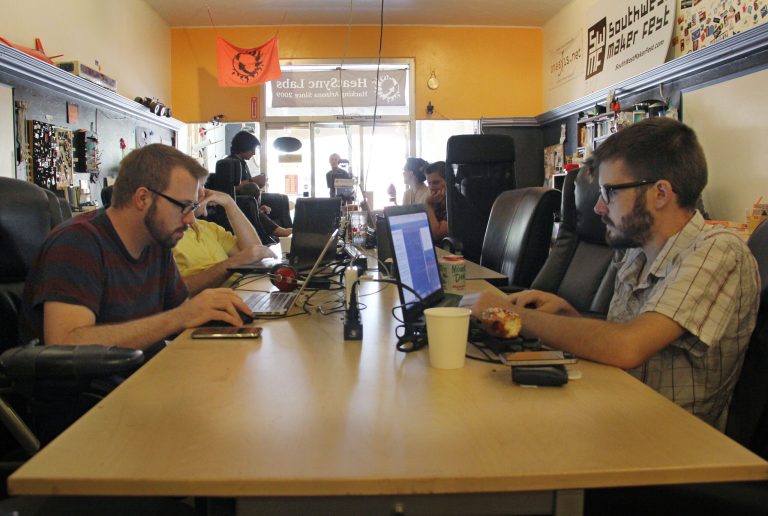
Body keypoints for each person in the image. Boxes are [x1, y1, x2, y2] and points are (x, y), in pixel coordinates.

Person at [469, 118, 759, 430]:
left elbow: (627, 347)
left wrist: (510, 315)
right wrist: (569, 316)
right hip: (615, 408)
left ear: (661, 194)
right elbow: (623, 340)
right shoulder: (637, 252)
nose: (598, 207)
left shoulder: (718, 251)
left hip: (668, 437)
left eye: (609, 192)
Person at [19, 144, 255, 359]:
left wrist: (235, 318)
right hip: (98, 391)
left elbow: (182, 316)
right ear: (143, 198)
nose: (191, 219)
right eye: (184, 207)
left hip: (147, 375)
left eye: (193, 207)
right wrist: (182, 316)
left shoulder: (157, 242)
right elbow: (65, 344)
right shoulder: (77, 243)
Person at [173, 186, 276, 296]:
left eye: (203, 185)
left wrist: (229, 203)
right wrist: (234, 263)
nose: (202, 192)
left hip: (244, 292)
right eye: (196, 186)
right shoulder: (167, 235)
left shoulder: (209, 227)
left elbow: (257, 255)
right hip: (214, 303)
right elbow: (173, 293)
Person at [224, 130, 262, 196]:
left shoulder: (242, 163)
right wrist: (252, 180)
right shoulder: (228, 163)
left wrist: (258, 184)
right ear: (244, 147)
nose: (254, 153)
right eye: (252, 149)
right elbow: (227, 188)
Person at [424, 161, 448, 242]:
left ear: (448, 181)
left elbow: (437, 234)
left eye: (436, 182)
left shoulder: (456, 203)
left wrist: (428, 205)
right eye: (429, 183)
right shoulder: (437, 201)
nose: (431, 187)